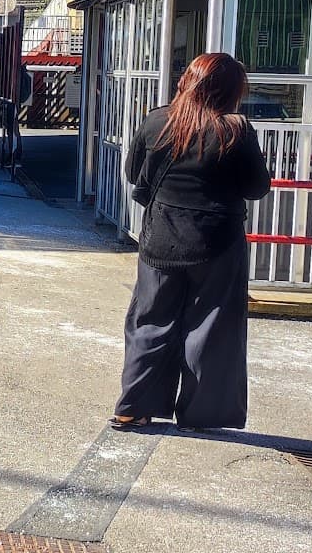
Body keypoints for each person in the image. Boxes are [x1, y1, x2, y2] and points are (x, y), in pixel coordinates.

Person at [113, 53, 272, 431]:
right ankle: (201, 415)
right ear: (232, 92)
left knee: (150, 320)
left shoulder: (156, 120)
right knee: (210, 327)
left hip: (160, 238)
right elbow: (257, 188)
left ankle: (132, 407)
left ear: (188, 80)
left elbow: (135, 171)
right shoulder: (236, 129)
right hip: (217, 242)